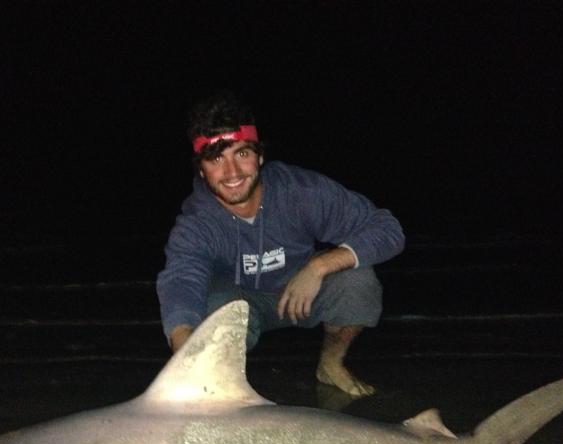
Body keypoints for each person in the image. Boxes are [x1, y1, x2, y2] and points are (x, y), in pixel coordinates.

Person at [156, 91, 405, 396]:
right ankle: (217, 388)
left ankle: (330, 363)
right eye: (217, 159)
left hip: (302, 290)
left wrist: (319, 266)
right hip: (238, 302)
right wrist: (185, 359)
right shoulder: (197, 222)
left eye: (242, 154)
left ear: (260, 156)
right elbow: (181, 283)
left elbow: (388, 229)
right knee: (205, 321)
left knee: (358, 281)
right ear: (201, 169)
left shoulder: (299, 191)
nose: (232, 172)